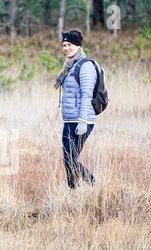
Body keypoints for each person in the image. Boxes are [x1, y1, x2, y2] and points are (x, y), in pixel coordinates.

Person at [54, 29, 97, 189]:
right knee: (68, 158)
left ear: (78, 46)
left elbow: (87, 94)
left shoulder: (85, 66)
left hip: (81, 120)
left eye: (70, 44)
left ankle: (92, 183)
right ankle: (73, 192)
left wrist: (84, 121)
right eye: (64, 45)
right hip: (69, 120)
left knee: (71, 157)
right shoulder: (69, 65)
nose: (66, 48)